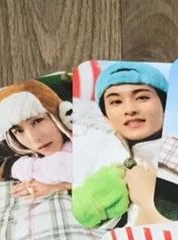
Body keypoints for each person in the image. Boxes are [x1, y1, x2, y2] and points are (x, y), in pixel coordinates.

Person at [72, 62, 168, 227]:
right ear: (106, 116)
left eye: (142, 97)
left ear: (164, 105)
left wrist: (149, 200)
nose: (130, 109)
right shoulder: (89, 154)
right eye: (116, 102)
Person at [0, 80, 73, 200]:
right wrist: (34, 169)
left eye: (37, 121)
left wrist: (61, 185)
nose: (34, 139)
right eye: (19, 130)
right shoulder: (19, 144)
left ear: (60, 115)